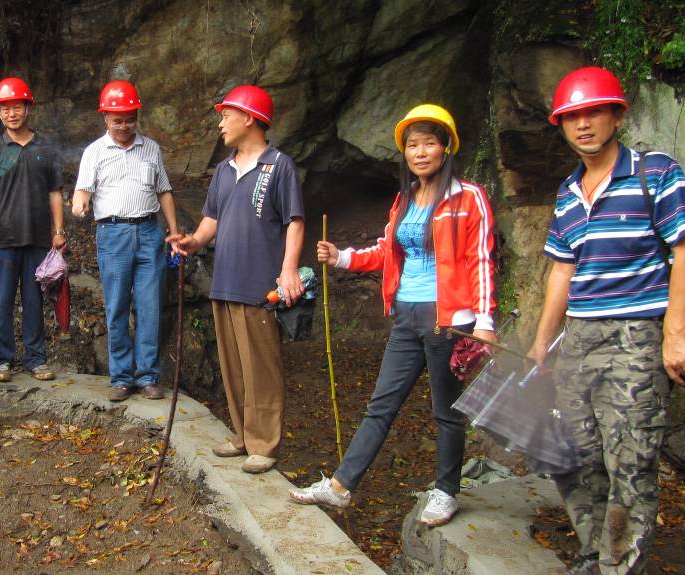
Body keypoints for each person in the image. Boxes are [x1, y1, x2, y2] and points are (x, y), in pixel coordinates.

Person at [288, 104, 496, 525]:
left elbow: (481, 259)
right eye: (412, 145)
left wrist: (484, 321)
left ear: (446, 147)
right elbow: (387, 251)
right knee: (380, 405)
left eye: (429, 143)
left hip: (448, 320)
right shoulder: (405, 199)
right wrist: (342, 257)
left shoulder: (467, 197)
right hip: (406, 315)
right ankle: (341, 487)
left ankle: (446, 491)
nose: (420, 152)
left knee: (446, 411)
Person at [527, 67, 685, 575]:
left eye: (594, 111)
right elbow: (562, 270)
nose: (583, 124)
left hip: (636, 335)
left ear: (617, 115)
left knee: (631, 460)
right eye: (572, 116)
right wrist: (542, 342)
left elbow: (683, 250)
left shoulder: (655, 172)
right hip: (579, 338)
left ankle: (620, 565)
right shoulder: (568, 192)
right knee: (572, 452)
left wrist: (675, 334)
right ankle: (594, 553)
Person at [170, 85, 304, 474]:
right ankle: (244, 435)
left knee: (261, 366)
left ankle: (265, 444)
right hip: (225, 279)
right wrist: (194, 241)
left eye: (226, 115)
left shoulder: (279, 165)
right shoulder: (223, 171)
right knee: (233, 367)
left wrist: (289, 269)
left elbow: (295, 221)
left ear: (248, 117)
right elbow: (212, 218)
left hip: (259, 283)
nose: (220, 123)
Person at [72, 80, 177, 402]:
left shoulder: (151, 149)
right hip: (113, 234)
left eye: (130, 119)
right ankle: (120, 378)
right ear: (105, 117)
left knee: (149, 305)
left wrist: (173, 231)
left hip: (148, 231)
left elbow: (164, 191)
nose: (124, 126)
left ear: (137, 117)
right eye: (117, 120)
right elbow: (82, 190)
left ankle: (147, 377)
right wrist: (79, 203)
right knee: (117, 306)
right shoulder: (94, 152)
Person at [0, 77, 65, 383]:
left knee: (34, 300)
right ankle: (3, 360)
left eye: (16, 107)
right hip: (3, 238)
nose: (11, 114)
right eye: (5, 109)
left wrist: (59, 230)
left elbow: (55, 192)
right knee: (1, 301)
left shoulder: (45, 149)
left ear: (28, 108)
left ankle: (36, 359)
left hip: (38, 237)